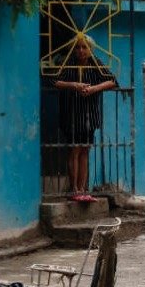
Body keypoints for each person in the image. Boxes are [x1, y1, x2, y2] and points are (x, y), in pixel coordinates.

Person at [54, 34, 118, 202]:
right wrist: (73, 85)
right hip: (72, 114)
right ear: (73, 49)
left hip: (89, 115)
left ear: (90, 49)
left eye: (84, 47)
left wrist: (94, 89)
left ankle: (83, 189)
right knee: (74, 150)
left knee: (85, 151)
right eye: (78, 47)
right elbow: (55, 81)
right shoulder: (69, 63)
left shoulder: (95, 63)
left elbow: (112, 81)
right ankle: (74, 189)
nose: (81, 50)